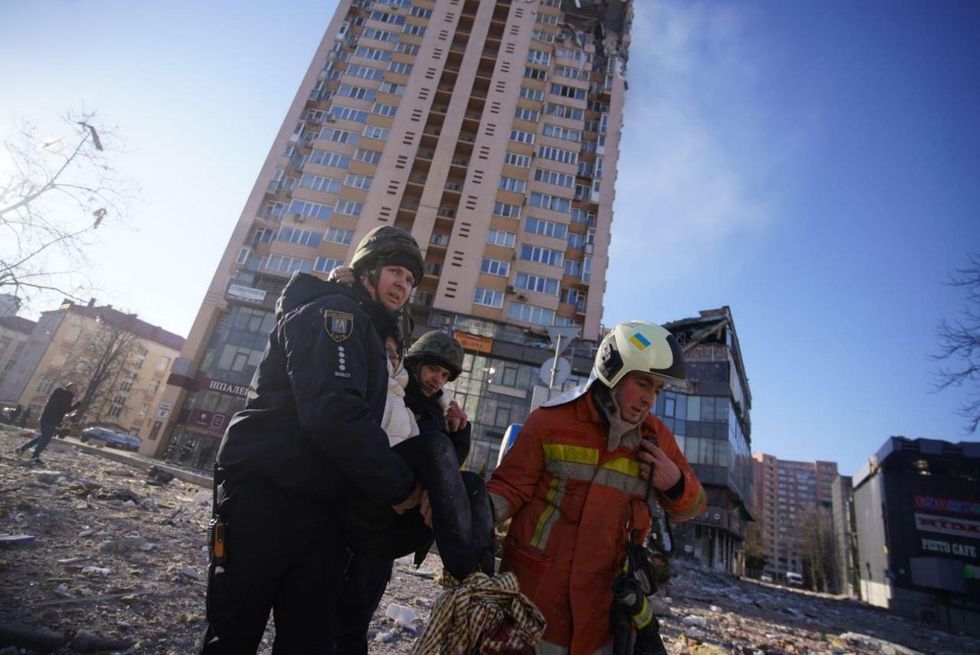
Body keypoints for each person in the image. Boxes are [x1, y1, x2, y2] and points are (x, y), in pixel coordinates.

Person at [199, 225, 426, 654]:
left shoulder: (367, 329)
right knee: (235, 629)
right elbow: (334, 412)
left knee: (309, 638)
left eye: (410, 280)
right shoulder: (334, 315)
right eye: (396, 271)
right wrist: (399, 487)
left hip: (322, 508)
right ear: (367, 272)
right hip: (266, 496)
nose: (403, 285)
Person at [487, 320, 708, 654]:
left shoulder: (656, 438)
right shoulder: (550, 422)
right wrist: (463, 514)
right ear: (613, 372)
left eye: (657, 390)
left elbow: (693, 506)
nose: (650, 399)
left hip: (603, 619)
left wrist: (674, 482)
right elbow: (508, 489)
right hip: (531, 608)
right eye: (643, 384)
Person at [334, 327, 497, 655]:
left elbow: (446, 466)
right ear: (417, 363)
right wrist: (423, 485)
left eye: (446, 375)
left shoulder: (439, 413)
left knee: (476, 486)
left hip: (390, 530)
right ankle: (464, 570)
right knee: (330, 617)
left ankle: (481, 591)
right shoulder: (389, 386)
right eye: (434, 369)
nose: (439, 379)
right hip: (362, 510)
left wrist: (460, 433)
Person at [17, 383, 80, 462]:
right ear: (69, 388)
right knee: (46, 438)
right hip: (50, 418)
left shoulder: (61, 394)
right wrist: (77, 403)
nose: (75, 390)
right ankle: (35, 456)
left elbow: (61, 408)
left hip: (48, 417)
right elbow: (65, 409)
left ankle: (22, 449)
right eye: (74, 388)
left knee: (43, 437)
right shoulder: (66, 396)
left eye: (76, 389)